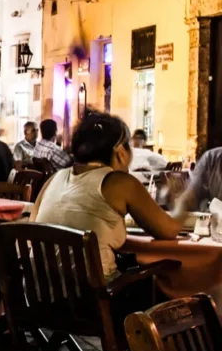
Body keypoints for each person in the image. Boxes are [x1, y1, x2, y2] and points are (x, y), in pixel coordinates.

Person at [33, 111, 190, 279]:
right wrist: (186, 204)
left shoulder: (53, 180)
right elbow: (168, 230)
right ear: (120, 152)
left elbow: (32, 226)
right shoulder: (120, 182)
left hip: (39, 296)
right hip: (96, 298)